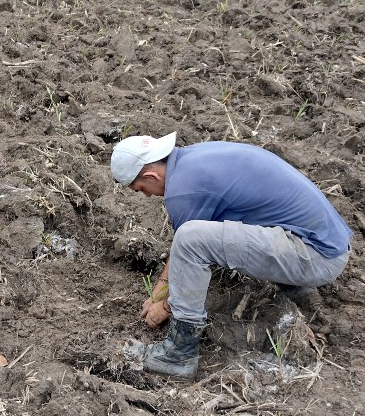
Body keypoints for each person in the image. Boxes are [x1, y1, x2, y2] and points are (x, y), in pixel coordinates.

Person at [110, 132, 351, 379]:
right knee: (200, 235)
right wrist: (158, 293)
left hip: (315, 257)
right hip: (323, 243)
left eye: (141, 189)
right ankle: (297, 290)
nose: (147, 195)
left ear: (151, 175)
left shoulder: (183, 190)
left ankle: (178, 353)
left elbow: (185, 244)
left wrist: (164, 305)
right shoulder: (195, 158)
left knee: (191, 238)